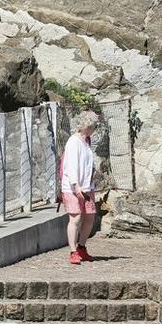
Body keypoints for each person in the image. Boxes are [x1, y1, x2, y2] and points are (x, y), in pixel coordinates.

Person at [61, 110, 99, 265]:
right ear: (86, 125)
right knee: (75, 218)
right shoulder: (73, 141)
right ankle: (72, 251)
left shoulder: (86, 141)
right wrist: (76, 186)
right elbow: (71, 165)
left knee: (89, 217)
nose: (94, 129)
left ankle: (82, 247)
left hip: (87, 186)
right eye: (92, 126)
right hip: (73, 187)